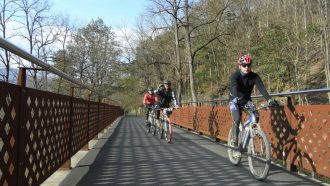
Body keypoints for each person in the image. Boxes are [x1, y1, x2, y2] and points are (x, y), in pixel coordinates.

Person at [229, 54, 278, 151]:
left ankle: (246, 141)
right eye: (244, 66)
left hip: (246, 100)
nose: (246, 68)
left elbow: (262, 88)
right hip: (234, 100)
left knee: (256, 116)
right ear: (240, 66)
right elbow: (234, 87)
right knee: (237, 118)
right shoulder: (235, 76)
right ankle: (234, 141)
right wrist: (235, 98)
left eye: (249, 65)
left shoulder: (254, 76)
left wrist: (269, 100)